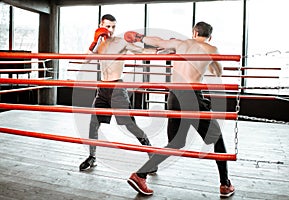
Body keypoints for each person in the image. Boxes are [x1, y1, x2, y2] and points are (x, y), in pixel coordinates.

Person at [124, 21, 235, 197]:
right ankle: (225, 184)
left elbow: (159, 41)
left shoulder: (180, 44)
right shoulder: (211, 49)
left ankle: (140, 175)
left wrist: (141, 37)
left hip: (174, 96)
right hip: (192, 97)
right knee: (217, 139)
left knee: (176, 143)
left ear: (194, 32)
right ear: (210, 36)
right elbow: (218, 72)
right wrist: (211, 60)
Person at [79, 14, 158, 173]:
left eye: (113, 26)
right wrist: (94, 41)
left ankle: (152, 157)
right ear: (101, 25)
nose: (111, 30)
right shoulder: (100, 45)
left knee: (130, 125)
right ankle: (92, 157)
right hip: (102, 89)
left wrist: (159, 48)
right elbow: (86, 60)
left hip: (117, 88)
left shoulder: (121, 42)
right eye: (108, 26)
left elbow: (143, 53)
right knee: (93, 124)